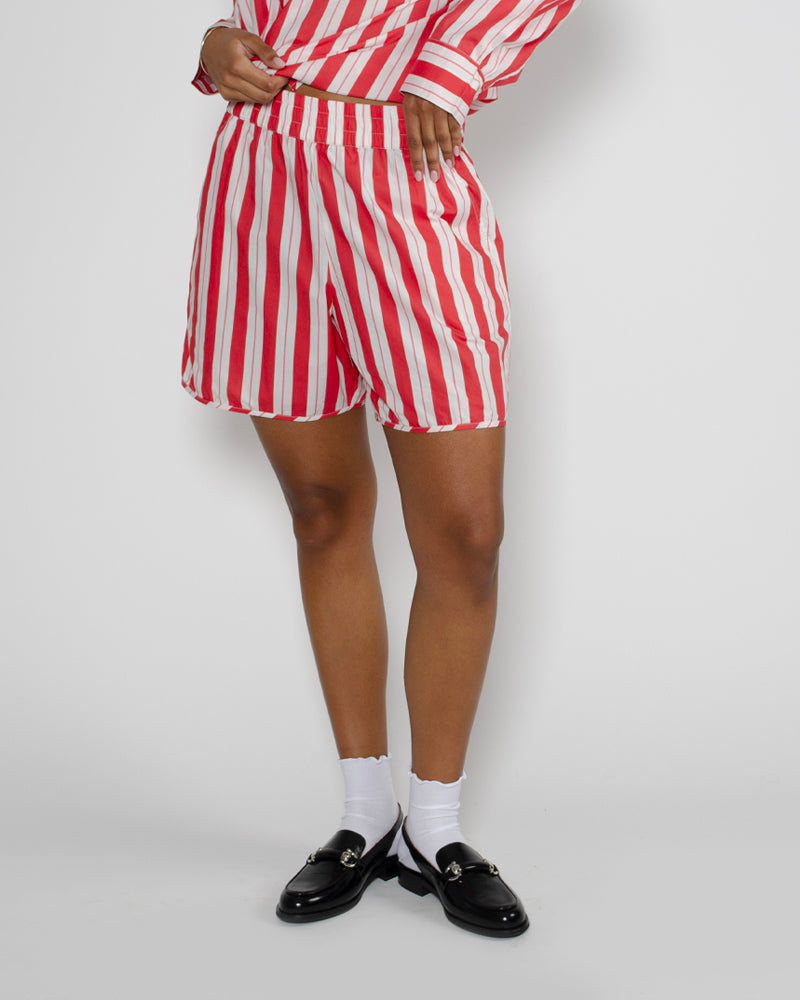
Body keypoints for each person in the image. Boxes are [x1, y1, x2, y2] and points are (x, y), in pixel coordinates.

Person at [181, 0, 582, 938]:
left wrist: (452, 64)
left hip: (406, 168)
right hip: (266, 177)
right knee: (321, 509)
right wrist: (215, 42)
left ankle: (436, 827)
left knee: (466, 534)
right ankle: (365, 816)